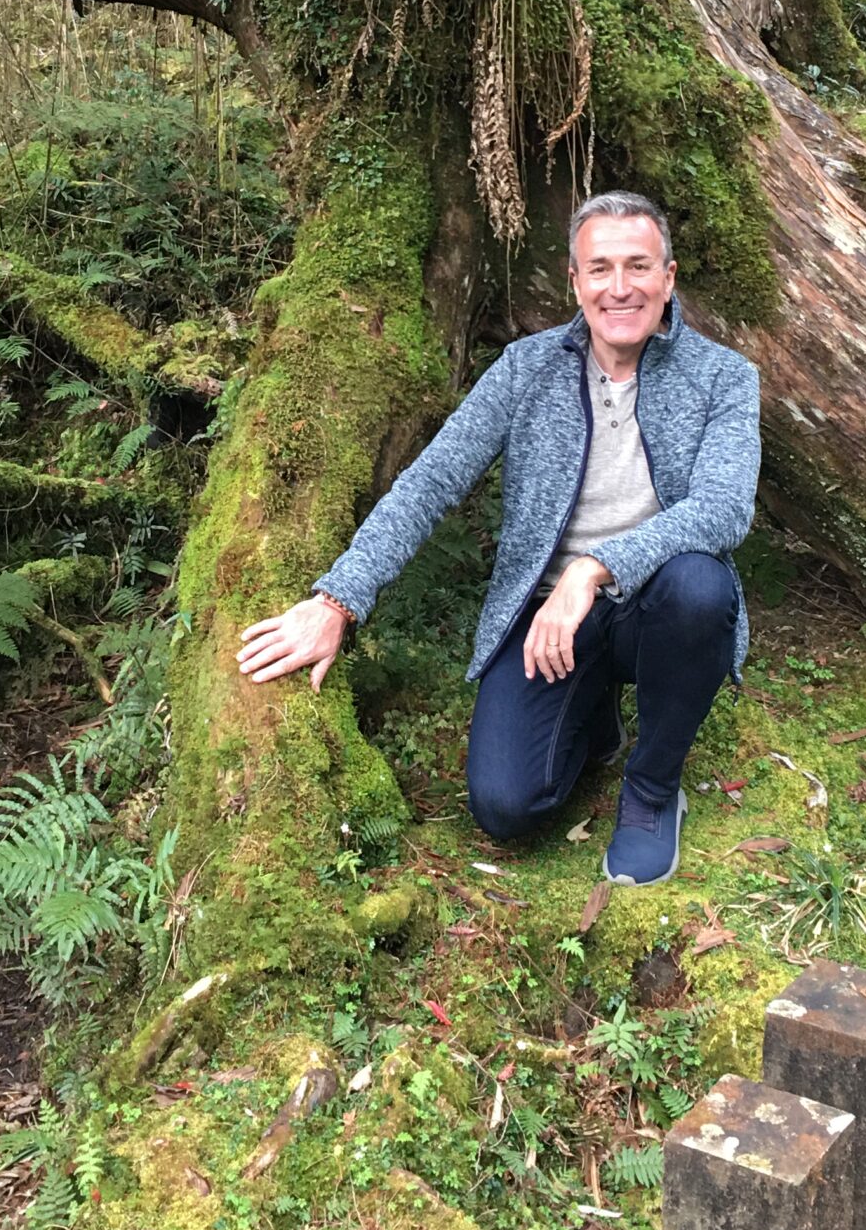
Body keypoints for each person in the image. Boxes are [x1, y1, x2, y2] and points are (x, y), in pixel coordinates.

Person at [235, 193, 760, 887]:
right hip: (547, 617)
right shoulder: (526, 368)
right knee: (506, 806)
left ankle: (653, 792)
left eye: (639, 266)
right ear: (575, 283)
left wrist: (593, 569)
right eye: (599, 268)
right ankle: (594, 718)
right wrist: (338, 600)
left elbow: (723, 511)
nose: (620, 287)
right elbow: (431, 483)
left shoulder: (725, 376)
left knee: (700, 585)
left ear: (669, 277)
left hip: (653, 605)